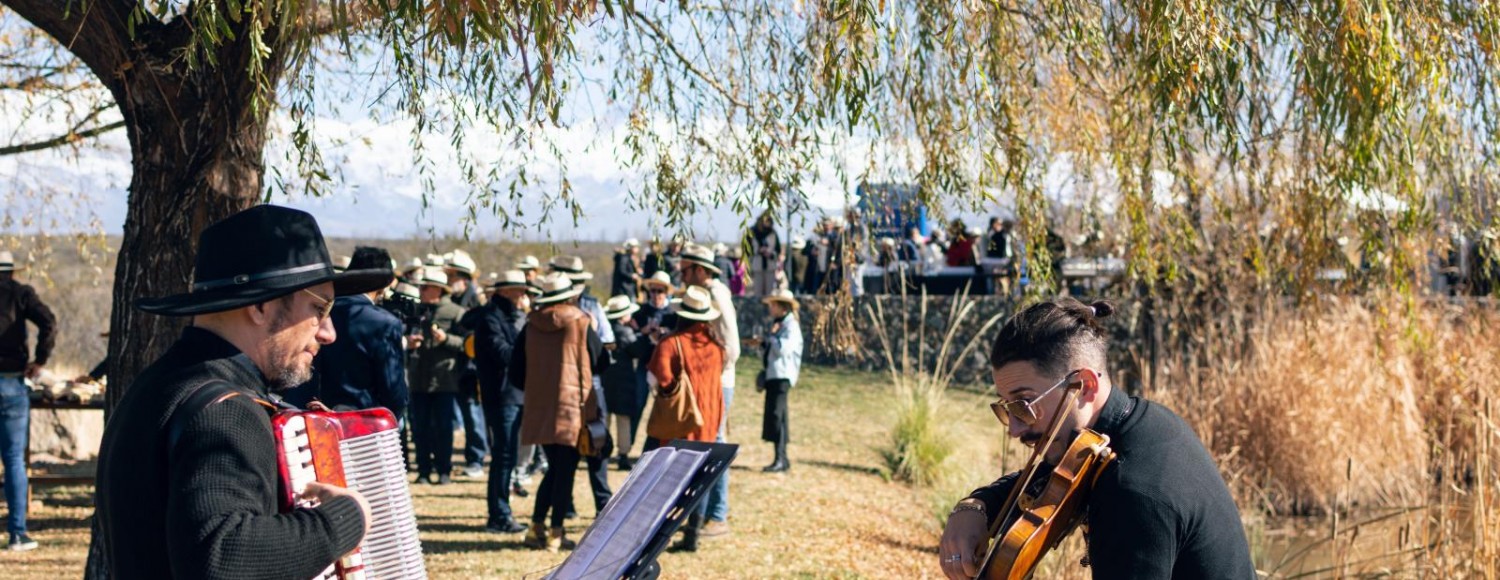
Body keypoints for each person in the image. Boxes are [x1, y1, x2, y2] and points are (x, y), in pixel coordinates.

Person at [96, 205, 388, 577]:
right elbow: (223, 556)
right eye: (318, 308)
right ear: (261, 306)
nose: (328, 332)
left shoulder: (157, 385)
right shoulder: (227, 410)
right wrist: (346, 519)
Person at [938, 298, 1254, 579]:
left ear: (1085, 386)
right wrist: (976, 506)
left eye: (1024, 405)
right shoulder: (1130, 426)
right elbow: (1050, 477)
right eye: (1007, 408)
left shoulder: (1131, 490)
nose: (1015, 429)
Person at [508, 274, 610, 551]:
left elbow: (515, 372)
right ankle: (555, 532)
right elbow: (601, 361)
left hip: (540, 407)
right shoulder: (581, 322)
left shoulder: (530, 326)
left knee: (555, 468)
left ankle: (536, 528)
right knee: (564, 471)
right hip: (572, 407)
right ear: (570, 296)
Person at [643, 285, 726, 552]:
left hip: (680, 420)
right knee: (700, 477)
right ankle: (692, 534)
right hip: (709, 418)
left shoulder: (670, 343)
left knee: (669, 478)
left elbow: (655, 379)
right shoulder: (716, 346)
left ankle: (659, 535)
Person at [301, 246, 409, 418]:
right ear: (383, 284)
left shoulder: (320, 311)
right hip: (364, 421)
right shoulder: (385, 323)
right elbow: (393, 389)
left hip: (315, 414)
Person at [678, 244, 739, 539]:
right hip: (711, 379)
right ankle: (707, 513)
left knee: (715, 444)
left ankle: (717, 515)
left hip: (719, 380)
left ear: (700, 270)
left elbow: (732, 346)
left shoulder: (717, 294)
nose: (681, 276)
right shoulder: (706, 293)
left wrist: (712, 368)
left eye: (685, 270)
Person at [548, 255, 616, 514]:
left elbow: (607, 341)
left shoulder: (592, 305)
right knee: (563, 449)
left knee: (596, 442)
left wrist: (592, 332)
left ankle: (603, 503)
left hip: (592, 384)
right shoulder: (548, 311)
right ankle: (564, 504)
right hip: (561, 387)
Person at [470, 270, 532, 534]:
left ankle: (501, 512)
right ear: (505, 291)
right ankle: (499, 515)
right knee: (503, 456)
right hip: (502, 395)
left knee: (508, 455)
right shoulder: (490, 318)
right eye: (519, 290)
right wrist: (528, 336)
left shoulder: (508, 316)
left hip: (513, 394)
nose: (523, 295)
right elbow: (504, 354)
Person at [0, 250, 54, 551]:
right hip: (12, 381)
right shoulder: (21, 294)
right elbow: (48, 321)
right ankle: (17, 533)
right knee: (13, 459)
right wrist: (40, 360)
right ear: (11, 271)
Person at [407, 267, 469, 485]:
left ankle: (444, 470)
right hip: (418, 379)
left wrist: (446, 339)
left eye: (426, 287)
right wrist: (409, 342)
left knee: (444, 428)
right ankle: (424, 471)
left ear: (438, 290)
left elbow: (466, 344)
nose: (421, 290)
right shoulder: (415, 311)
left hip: (445, 380)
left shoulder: (455, 312)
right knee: (420, 428)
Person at [444, 249, 489, 477]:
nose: (449, 280)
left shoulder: (474, 301)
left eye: (451, 276)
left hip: (471, 367)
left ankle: (476, 458)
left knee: (472, 413)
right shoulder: (456, 298)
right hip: (459, 365)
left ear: (462, 277)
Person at [601, 295, 650, 471]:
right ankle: (623, 454)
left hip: (606, 380)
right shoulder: (626, 332)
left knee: (605, 418)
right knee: (623, 420)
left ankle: (602, 450)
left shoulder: (605, 329)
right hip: (623, 382)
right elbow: (638, 350)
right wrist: (641, 334)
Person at [758, 289, 801, 472]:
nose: (771, 308)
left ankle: (780, 458)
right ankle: (781, 458)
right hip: (774, 374)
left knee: (778, 417)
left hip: (782, 375)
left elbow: (783, 349)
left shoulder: (791, 326)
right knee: (777, 417)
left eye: (773, 305)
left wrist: (771, 338)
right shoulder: (779, 325)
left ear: (782, 307)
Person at [747, 212, 782, 296]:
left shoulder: (773, 233)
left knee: (769, 292)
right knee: (758, 292)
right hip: (757, 265)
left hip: (770, 266)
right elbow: (747, 250)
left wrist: (770, 254)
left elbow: (778, 250)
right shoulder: (752, 232)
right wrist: (758, 251)